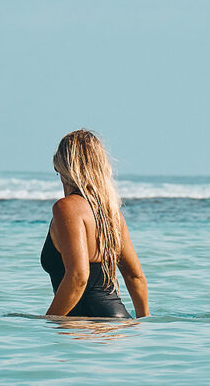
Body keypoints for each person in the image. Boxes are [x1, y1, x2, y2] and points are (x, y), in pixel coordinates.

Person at [42, 130, 149, 318]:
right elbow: (135, 277)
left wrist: (48, 321)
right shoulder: (111, 214)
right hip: (118, 325)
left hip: (86, 326)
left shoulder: (66, 208)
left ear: (60, 165)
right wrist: (143, 323)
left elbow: (78, 278)